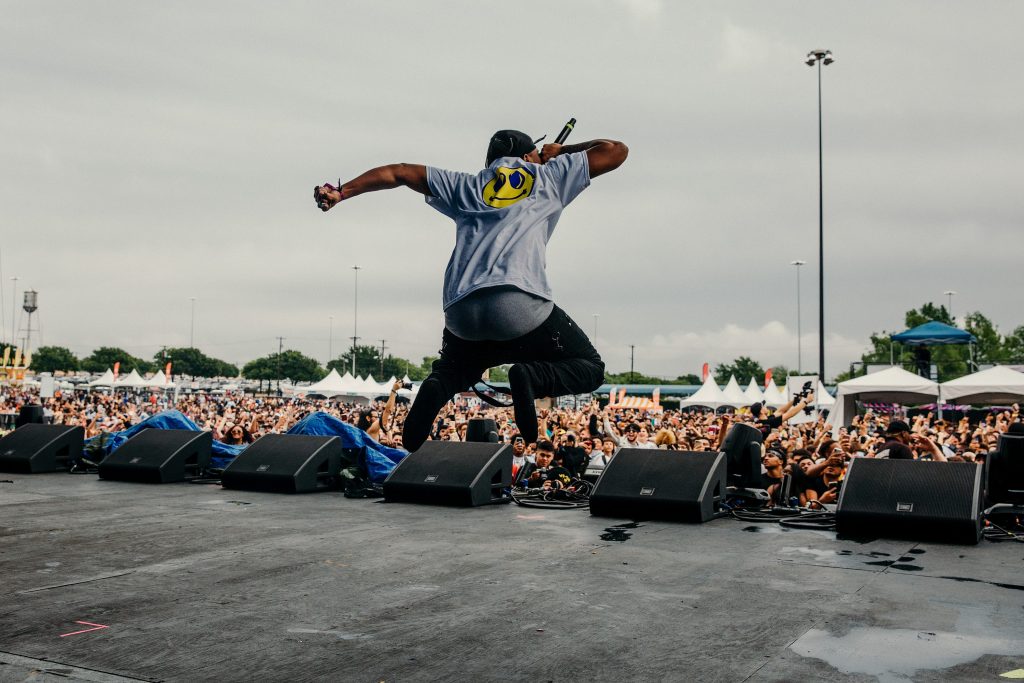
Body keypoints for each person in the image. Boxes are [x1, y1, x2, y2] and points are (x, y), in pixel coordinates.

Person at [315, 129, 628, 451]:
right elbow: (616, 150)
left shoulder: (465, 185)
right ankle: (531, 378)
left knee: (453, 370)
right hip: (518, 303)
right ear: (527, 156)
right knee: (590, 367)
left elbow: (399, 172)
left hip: (462, 309)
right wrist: (563, 150)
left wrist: (342, 192)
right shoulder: (550, 176)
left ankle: (427, 410)